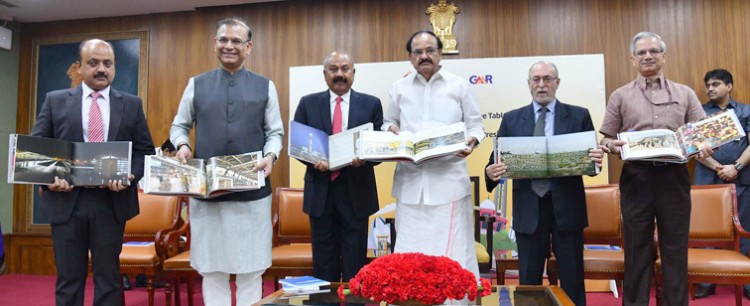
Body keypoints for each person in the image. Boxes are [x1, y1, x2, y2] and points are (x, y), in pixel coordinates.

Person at [30, 38, 155, 306]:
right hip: (66, 203)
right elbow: (36, 150)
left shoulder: (131, 104)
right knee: (69, 279)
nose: (101, 69)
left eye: (107, 64)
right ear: (80, 67)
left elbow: (145, 151)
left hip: (110, 203)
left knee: (109, 279)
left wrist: (130, 176)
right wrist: (50, 179)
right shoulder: (56, 101)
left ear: (114, 67)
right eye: (93, 63)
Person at [170, 17, 283, 306]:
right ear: (215, 43)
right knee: (212, 270)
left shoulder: (265, 86)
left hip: (253, 195)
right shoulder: (196, 84)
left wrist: (270, 156)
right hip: (207, 196)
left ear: (249, 46)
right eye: (223, 39)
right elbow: (179, 127)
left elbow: (275, 133)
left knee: (251, 270)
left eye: (236, 41)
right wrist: (182, 146)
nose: (229, 46)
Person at [600, 31, 708, 306]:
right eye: (641, 53)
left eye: (653, 51)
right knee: (636, 248)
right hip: (637, 177)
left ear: (663, 56)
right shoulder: (620, 95)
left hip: (674, 177)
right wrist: (613, 147)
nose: (647, 56)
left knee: (675, 247)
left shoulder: (685, 93)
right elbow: (606, 138)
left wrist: (703, 146)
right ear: (633, 59)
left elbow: (702, 134)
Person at [484, 61, 604, 306]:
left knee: (572, 278)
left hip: (567, 209)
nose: (542, 84)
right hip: (529, 209)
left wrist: (596, 161)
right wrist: (490, 171)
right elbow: (494, 162)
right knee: (529, 278)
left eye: (548, 79)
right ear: (529, 84)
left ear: (557, 83)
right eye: (536, 79)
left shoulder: (579, 115)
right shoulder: (512, 119)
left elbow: (592, 165)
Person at [382, 30, 485, 279]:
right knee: (409, 255)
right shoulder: (399, 88)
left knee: (452, 255)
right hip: (410, 186)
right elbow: (388, 122)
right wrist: (390, 130)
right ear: (410, 56)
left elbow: (475, 126)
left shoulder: (459, 86)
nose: (424, 56)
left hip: (449, 185)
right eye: (418, 52)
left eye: (430, 51)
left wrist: (471, 142)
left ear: (440, 53)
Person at [293, 50, 383, 282]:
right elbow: (299, 145)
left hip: (357, 193)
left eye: (345, 69)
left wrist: (365, 157)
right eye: (333, 69)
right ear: (325, 74)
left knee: (356, 265)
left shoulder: (371, 104)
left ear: (353, 73)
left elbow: (381, 146)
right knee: (323, 264)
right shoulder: (308, 103)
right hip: (321, 192)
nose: (339, 74)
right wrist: (314, 161)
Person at [692, 69, 750, 299]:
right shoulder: (700, 113)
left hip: (743, 178)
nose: (709, 89)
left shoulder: (746, 111)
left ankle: (746, 281)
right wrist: (718, 167)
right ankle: (706, 282)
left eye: (715, 84)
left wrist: (735, 167)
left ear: (729, 86)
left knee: (745, 229)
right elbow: (694, 149)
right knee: (707, 230)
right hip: (708, 178)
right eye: (707, 85)